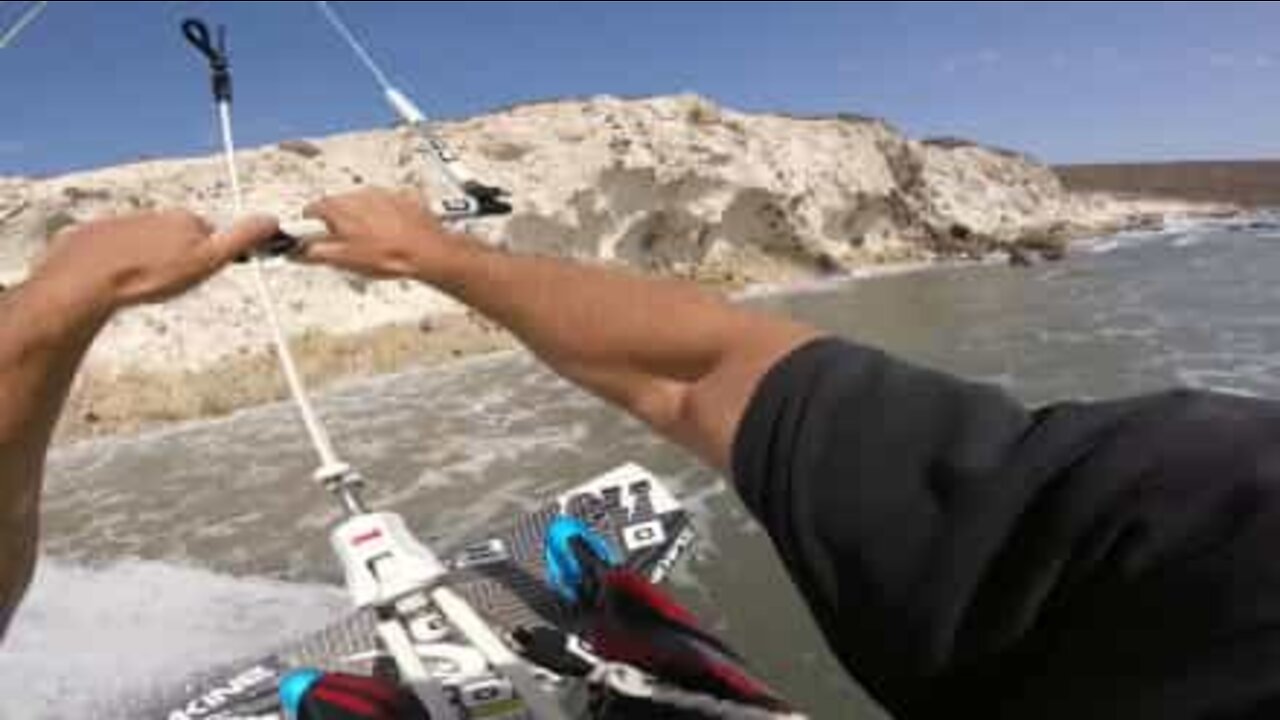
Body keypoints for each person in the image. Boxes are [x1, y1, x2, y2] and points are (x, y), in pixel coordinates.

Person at [5, 188, 1280, 719]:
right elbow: (718, 371)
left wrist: (58, 309)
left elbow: (714, 368)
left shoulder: (1213, 506)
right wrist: (442, 257)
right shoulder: (1213, 510)